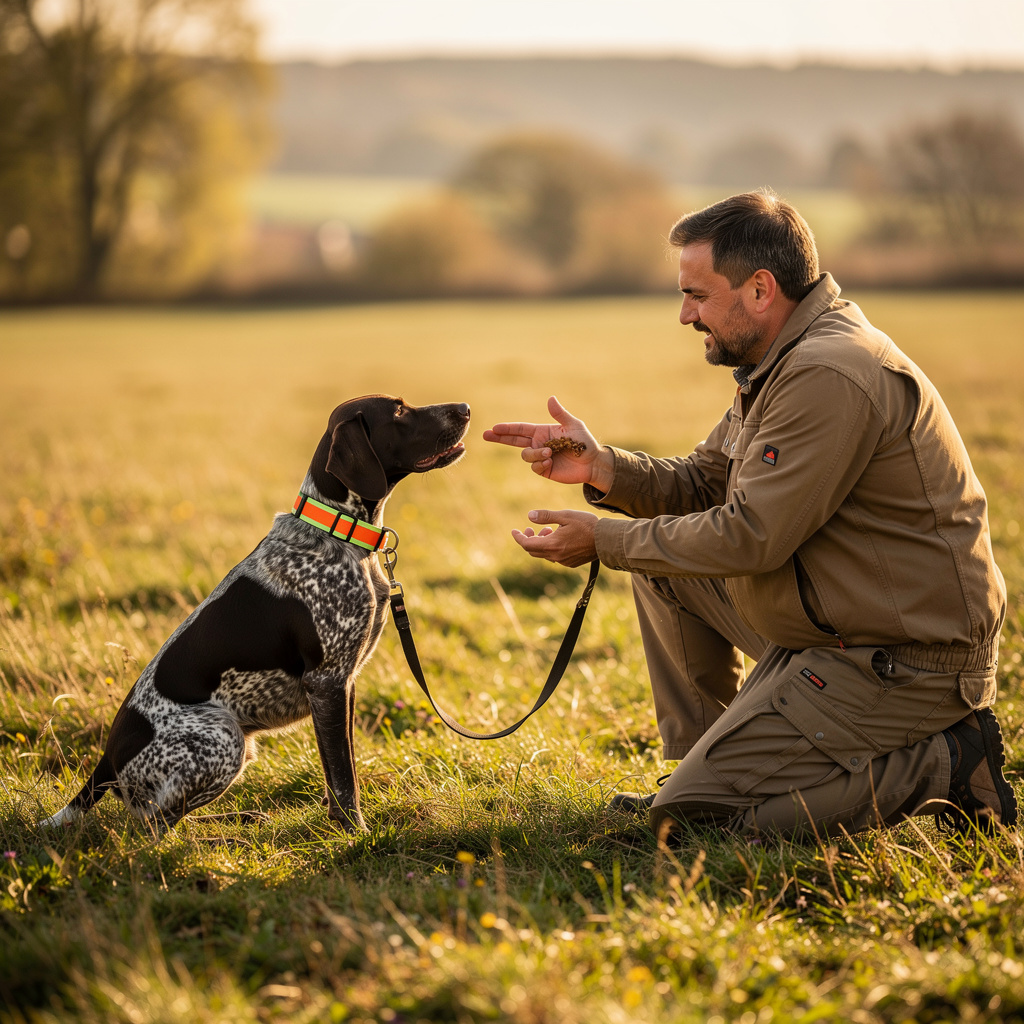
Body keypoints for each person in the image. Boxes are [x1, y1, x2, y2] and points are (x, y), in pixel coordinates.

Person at [483, 190, 1016, 841]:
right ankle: (698, 766)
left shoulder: (828, 372)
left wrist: (605, 540)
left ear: (760, 290)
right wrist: (603, 469)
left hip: (904, 658)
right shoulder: (783, 361)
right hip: (830, 627)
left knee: (701, 826)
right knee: (664, 569)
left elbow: (750, 536)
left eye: (698, 295)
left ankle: (949, 767)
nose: (684, 315)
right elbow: (706, 482)